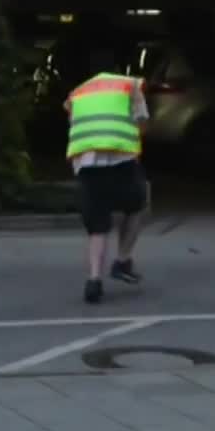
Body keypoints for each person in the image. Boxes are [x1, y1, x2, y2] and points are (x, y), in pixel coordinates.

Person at [63, 66, 151, 304]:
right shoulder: (130, 86)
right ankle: (122, 261)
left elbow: (73, 120)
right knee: (139, 204)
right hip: (120, 157)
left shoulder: (79, 92)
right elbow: (141, 122)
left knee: (98, 223)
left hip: (86, 161)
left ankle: (94, 280)